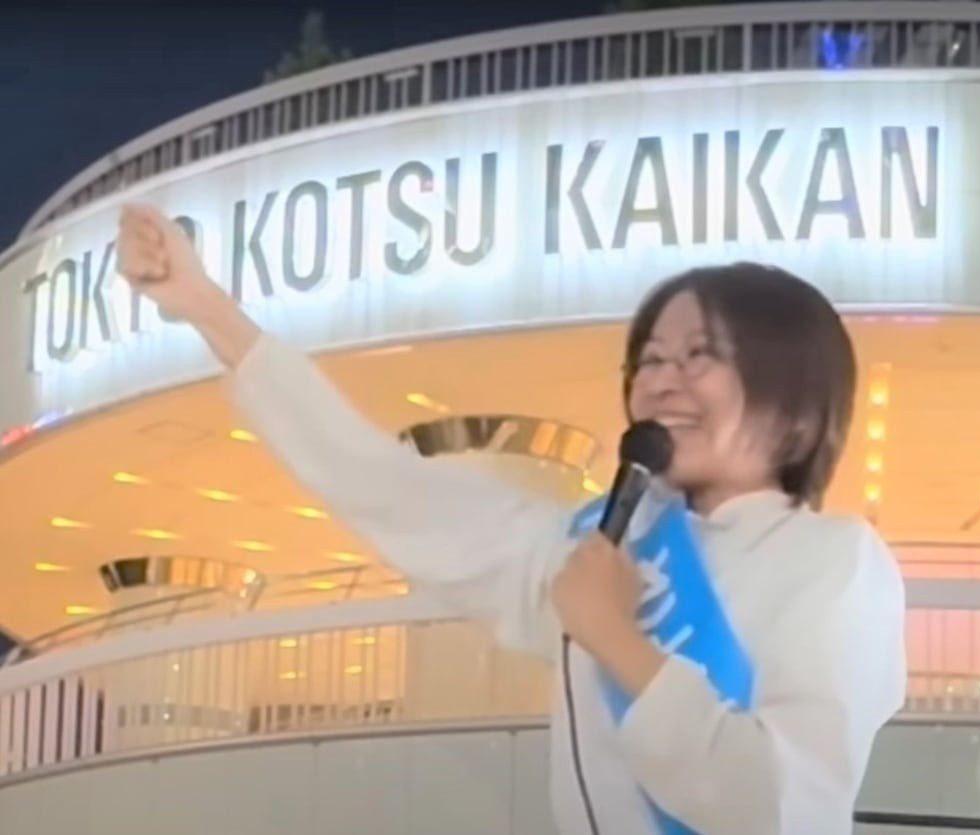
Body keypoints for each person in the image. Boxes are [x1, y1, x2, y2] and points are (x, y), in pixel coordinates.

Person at [115, 204, 907, 835]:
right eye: (650, 359)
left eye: (699, 355)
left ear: (793, 398)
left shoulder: (836, 560)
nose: (663, 381)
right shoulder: (599, 547)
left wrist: (618, 639)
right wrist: (207, 308)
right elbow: (387, 486)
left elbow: (786, 811)